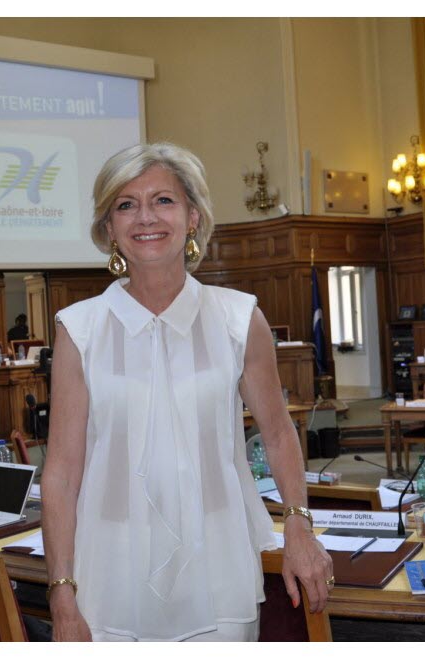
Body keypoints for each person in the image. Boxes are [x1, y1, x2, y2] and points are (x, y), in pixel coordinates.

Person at [42, 143, 333, 642]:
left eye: (163, 200)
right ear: (109, 228)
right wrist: (61, 591)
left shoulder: (240, 319)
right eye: (126, 204)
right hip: (109, 570)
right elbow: (62, 472)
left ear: (193, 217)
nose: (145, 217)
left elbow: (280, 434)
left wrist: (299, 526)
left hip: (219, 564)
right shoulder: (80, 329)